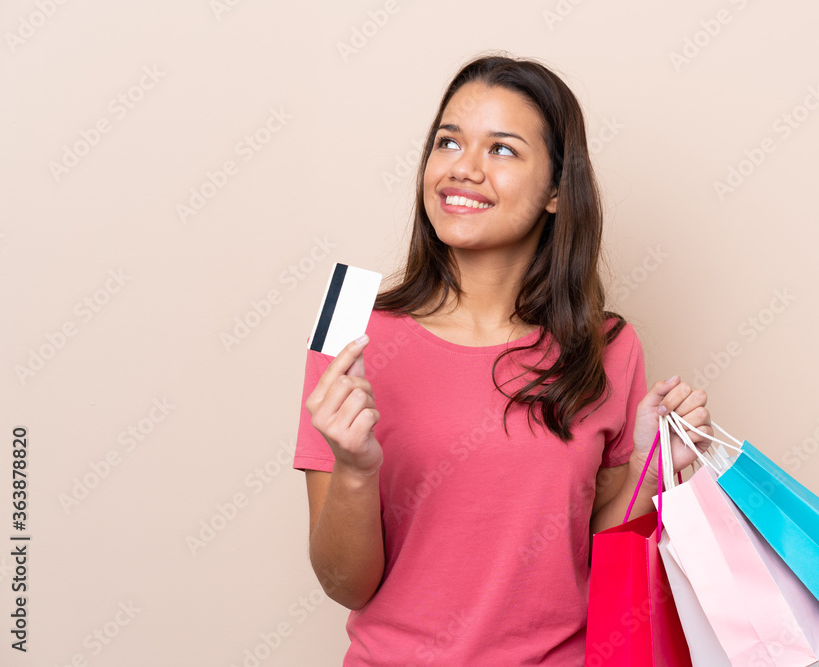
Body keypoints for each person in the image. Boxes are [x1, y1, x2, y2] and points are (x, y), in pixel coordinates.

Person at [293, 52, 714, 666]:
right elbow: (344, 584)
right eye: (448, 142)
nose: (462, 170)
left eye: (502, 150)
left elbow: (592, 557)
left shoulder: (608, 346)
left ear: (555, 192)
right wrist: (355, 469)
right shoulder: (349, 327)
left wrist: (650, 478)